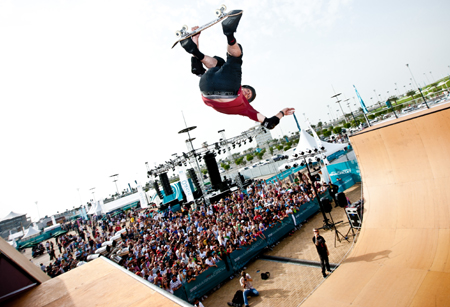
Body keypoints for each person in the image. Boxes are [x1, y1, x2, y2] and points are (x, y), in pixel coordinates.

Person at [180, 10, 295, 130]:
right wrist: (195, 40)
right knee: (216, 66)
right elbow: (198, 70)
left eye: (248, 96)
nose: (246, 93)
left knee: (235, 59)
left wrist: (282, 113)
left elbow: (269, 124)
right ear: (243, 87)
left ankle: (229, 33)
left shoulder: (246, 109)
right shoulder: (231, 81)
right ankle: (194, 50)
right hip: (208, 87)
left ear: (247, 100)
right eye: (248, 91)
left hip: (211, 89)